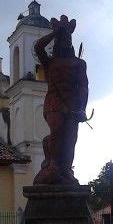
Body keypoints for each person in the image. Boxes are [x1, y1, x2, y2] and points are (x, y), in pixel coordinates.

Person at [33, 15, 88, 185]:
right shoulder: (50, 62)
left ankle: (66, 170)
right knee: (57, 132)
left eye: (68, 37)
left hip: (73, 106)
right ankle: (53, 167)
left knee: (71, 139)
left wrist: (82, 108)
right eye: (62, 37)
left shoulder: (79, 63)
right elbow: (38, 47)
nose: (66, 40)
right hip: (54, 104)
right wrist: (55, 32)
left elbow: (84, 86)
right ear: (57, 40)